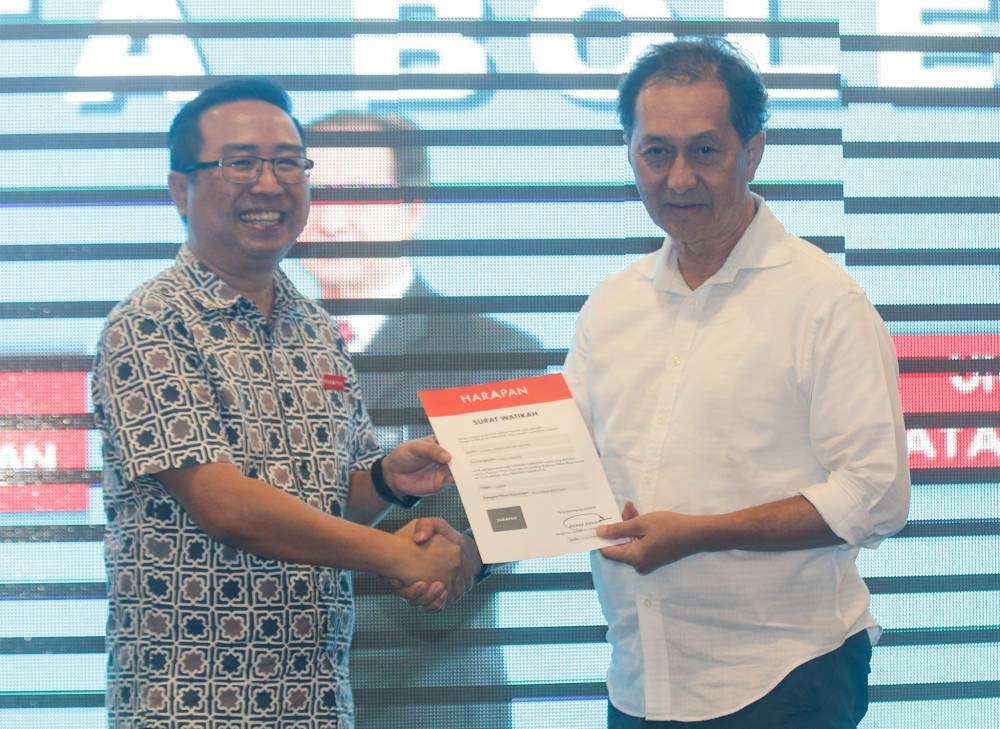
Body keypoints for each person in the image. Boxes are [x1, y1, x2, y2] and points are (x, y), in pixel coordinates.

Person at [90, 77, 481, 729]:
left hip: (316, 703)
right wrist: (400, 556)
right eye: (242, 162)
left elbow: (329, 497)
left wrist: (388, 479)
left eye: (287, 163)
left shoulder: (317, 327)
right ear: (180, 190)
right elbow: (229, 507)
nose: (269, 184)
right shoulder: (151, 324)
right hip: (196, 708)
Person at [562, 38, 911, 728]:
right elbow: (563, 463)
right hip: (640, 679)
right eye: (656, 151)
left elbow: (875, 493)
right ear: (629, 152)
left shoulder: (823, 300)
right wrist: (468, 544)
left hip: (784, 679)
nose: (679, 178)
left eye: (705, 150)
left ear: (752, 152)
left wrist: (700, 533)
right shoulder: (611, 303)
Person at [299, 110, 537, 729]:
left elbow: (501, 537)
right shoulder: (250, 352)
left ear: (411, 208)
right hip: (277, 696)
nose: (333, 217)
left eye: (359, 194)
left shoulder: (499, 354)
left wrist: (431, 574)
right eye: (318, 193)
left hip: (432, 694)